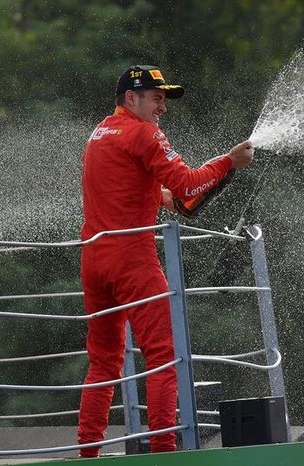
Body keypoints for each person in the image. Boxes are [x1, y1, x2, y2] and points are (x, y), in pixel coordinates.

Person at [78, 65, 253, 457]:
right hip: (132, 259)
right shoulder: (143, 133)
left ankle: (86, 456)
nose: (162, 107)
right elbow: (188, 184)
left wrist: (215, 175)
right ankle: (163, 454)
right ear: (131, 98)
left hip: (94, 259)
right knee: (164, 358)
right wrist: (228, 162)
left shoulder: (101, 133)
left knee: (103, 364)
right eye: (156, 98)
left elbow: (171, 198)